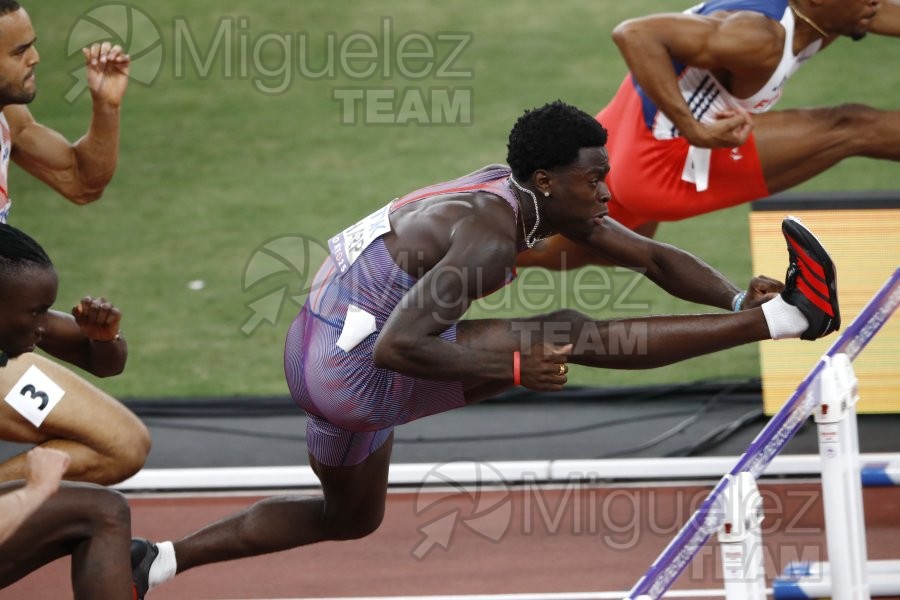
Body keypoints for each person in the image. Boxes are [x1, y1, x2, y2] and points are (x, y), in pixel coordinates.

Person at [129, 101, 840, 597]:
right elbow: (399, 349)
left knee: (349, 517)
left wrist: (734, 297)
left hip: (313, 342)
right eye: (595, 177)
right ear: (546, 180)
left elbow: (651, 258)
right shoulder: (491, 232)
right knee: (565, 330)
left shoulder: (525, 198)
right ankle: (792, 320)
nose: (607, 189)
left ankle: (157, 561)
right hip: (351, 369)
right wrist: (513, 366)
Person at [518, 0, 899, 270]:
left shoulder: (839, 13)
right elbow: (635, 34)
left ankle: (462, 265)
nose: (874, 2)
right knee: (850, 126)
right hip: (662, 164)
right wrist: (694, 129)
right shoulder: (758, 36)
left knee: (568, 250)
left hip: (619, 139)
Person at [0, 0, 150, 485]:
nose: (36, 58)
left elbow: (81, 182)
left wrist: (105, 107)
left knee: (121, 444)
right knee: (117, 445)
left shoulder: (8, 119)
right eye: (19, 50)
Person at [0, 224, 135, 599]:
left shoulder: (14, 326)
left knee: (108, 494)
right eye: (37, 313)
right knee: (101, 513)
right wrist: (36, 491)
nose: (46, 326)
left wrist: (104, 338)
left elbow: (105, 360)